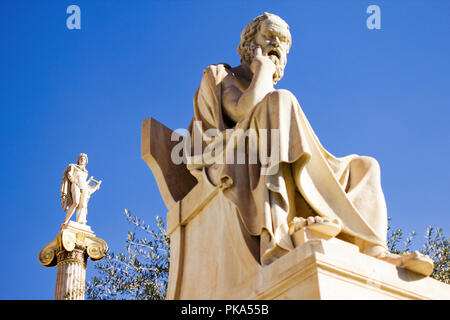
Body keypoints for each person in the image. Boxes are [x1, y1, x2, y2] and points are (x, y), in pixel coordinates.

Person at [185, 12, 432, 273]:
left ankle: (375, 252)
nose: (276, 45)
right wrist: (264, 71)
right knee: (280, 100)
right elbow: (242, 110)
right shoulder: (221, 75)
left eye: (283, 41)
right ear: (248, 44)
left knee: (365, 166)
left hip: (268, 156)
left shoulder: (270, 92)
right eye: (269, 36)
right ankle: (279, 235)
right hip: (233, 157)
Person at [61, 153, 101, 225]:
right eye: (81, 158)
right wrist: (74, 180)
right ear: (78, 160)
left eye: (84, 159)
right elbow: (69, 175)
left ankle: (80, 222)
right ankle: (66, 220)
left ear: (86, 161)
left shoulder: (86, 172)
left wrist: (95, 186)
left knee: (83, 205)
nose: (82, 159)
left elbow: (84, 183)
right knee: (76, 202)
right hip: (75, 184)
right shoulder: (73, 166)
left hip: (84, 187)